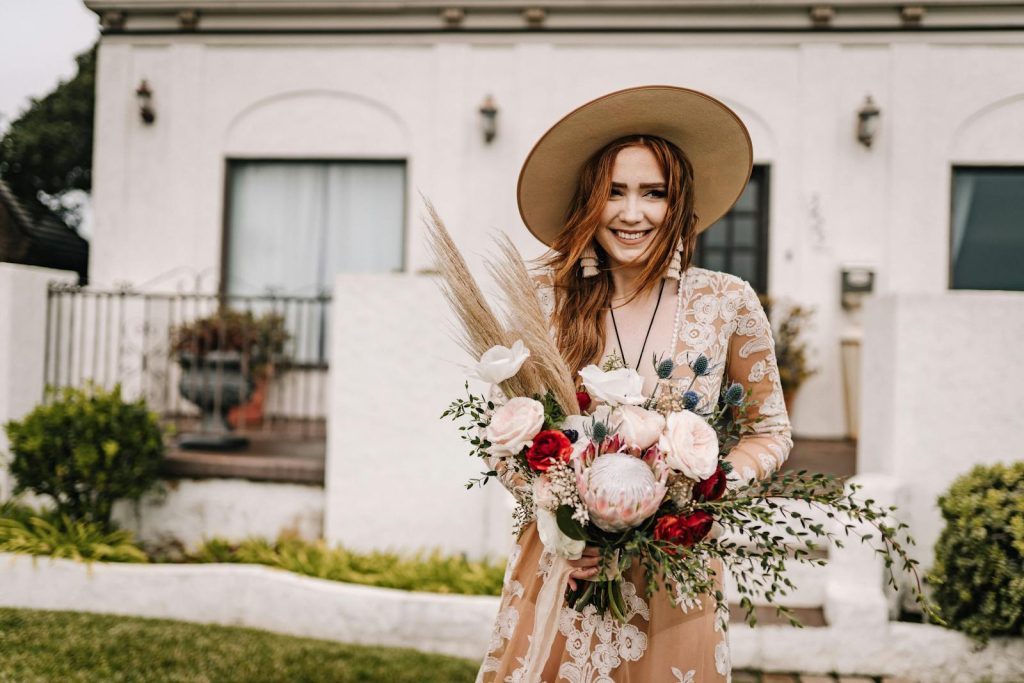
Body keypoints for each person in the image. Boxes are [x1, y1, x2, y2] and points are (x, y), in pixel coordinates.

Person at [478, 86, 793, 683]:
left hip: (676, 568)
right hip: (564, 567)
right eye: (613, 193)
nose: (631, 214)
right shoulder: (544, 297)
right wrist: (565, 524)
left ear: (678, 205)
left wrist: (701, 489)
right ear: (587, 202)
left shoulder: (726, 301)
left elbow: (768, 430)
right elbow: (509, 437)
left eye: (654, 193)